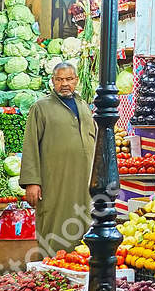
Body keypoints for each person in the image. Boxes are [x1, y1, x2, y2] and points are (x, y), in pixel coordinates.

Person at [19, 62, 97, 254]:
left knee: (84, 220)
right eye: (59, 79)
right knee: (55, 223)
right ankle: (52, 269)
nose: (64, 84)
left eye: (69, 79)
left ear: (76, 80)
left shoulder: (84, 105)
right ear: (52, 81)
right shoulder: (41, 108)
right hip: (55, 181)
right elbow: (30, 145)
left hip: (84, 180)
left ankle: (80, 265)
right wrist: (32, 182)